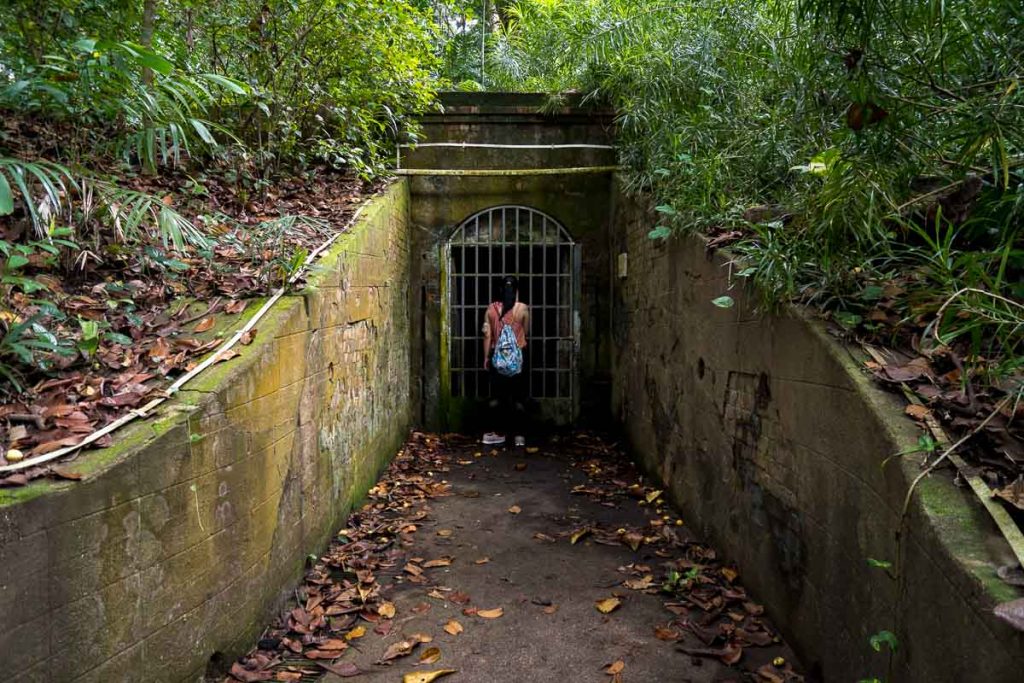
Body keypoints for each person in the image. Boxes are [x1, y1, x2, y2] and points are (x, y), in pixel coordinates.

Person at [481, 276, 529, 446]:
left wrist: (486, 357)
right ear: (516, 291)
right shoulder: (523, 309)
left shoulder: (490, 309)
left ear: (500, 290)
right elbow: (527, 332)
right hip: (518, 359)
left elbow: (487, 335)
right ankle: (519, 437)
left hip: (497, 359)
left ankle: (495, 433)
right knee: (518, 398)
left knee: (497, 398)